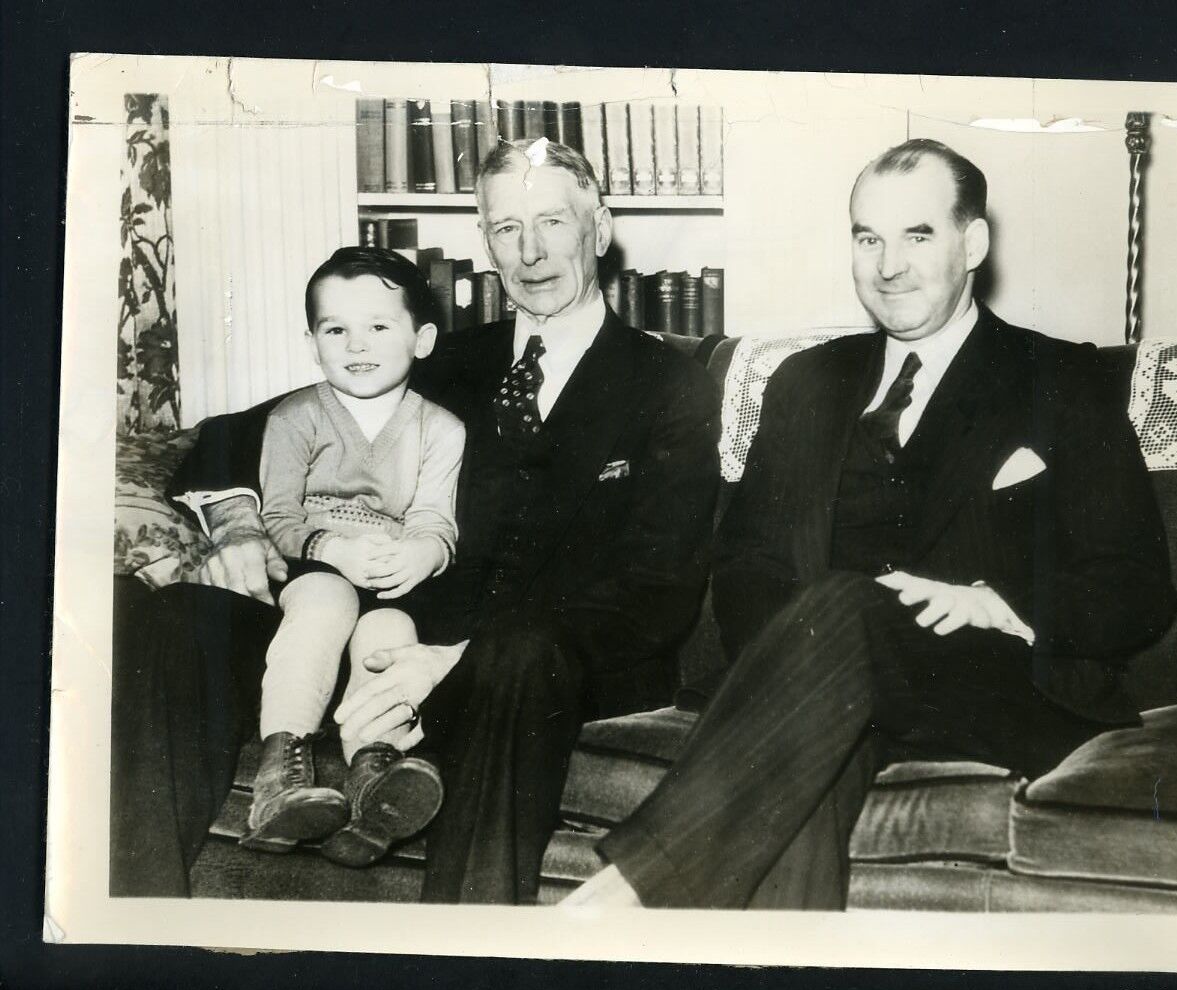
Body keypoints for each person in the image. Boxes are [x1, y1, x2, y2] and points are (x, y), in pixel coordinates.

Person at [565, 138, 1177, 910]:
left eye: (917, 235)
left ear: (972, 242)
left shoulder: (1059, 381)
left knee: (847, 606)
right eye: (867, 237)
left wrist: (998, 602)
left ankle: (624, 893)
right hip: (832, 680)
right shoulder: (805, 381)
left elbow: (1138, 587)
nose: (888, 266)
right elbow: (747, 565)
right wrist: (800, 666)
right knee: (814, 745)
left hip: (995, 683)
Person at [110, 138, 720, 902]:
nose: (529, 253)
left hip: (538, 659)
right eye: (506, 229)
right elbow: (233, 434)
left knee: (515, 659)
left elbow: (656, 592)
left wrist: (456, 659)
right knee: (177, 618)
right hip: (379, 635)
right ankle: (128, 931)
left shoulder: (669, 383)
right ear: (486, 242)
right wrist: (236, 523)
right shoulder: (440, 358)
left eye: (553, 223)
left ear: (598, 229)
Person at [238, 247, 461, 863]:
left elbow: (435, 518)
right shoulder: (296, 417)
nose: (356, 346)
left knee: (391, 630)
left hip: (391, 572)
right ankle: (280, 777)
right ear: (312, 342)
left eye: (379, 327)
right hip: (316, 564)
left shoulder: (440, 429)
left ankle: (375, 777)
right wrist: (329, 548)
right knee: (325, 599)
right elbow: (278, 516)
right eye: (336, 329)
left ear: (423, 339)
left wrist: (424, 553)